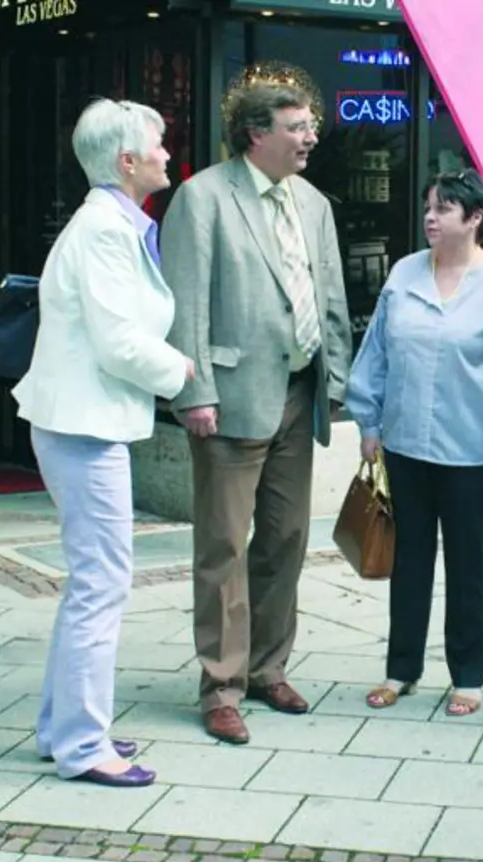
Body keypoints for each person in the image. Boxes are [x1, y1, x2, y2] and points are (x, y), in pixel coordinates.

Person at [159, 81, 352, 746]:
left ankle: (269, 667)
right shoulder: (204, 198)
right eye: (296, 127)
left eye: (311, 125)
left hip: (299, 395)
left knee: (285, 541)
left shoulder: (314, 204)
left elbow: (329, 298)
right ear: (255, 134)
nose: (310, 138)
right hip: (231, 400)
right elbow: (185, 300)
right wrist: (195, 392)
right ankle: (221, 686)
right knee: (222, 548)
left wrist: (338, 382)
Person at [12, 98, 196, 788]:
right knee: (101, 585)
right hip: (83, 428)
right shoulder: (103, 232)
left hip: (85, 423)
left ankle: (64, 730)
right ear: (126, 160)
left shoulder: (113, 225)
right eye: (158, 143)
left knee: (92, 582)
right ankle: (84, 747)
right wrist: (179, 370)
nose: (167, 152)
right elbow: (120, 341)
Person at [346, 169, 483, 717]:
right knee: (408, 561)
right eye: (428, 207)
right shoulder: (404, 274)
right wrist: (368, 423)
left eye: (445, 209)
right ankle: (401, 669)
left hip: (474, 448)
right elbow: (377, 352)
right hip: (406, 442)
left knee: (467, 562)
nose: (431, 217)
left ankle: (469, 675)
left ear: (475, 218)